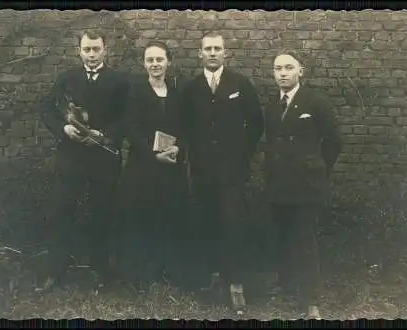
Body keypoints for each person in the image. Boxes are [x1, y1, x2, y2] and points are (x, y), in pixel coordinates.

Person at [39, 29, 130, 290]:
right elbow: (46, 108)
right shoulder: (67, 78)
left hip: (103, 159)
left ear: (105, 50)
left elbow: (127, 118)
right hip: (72, 158)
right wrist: (63, 129)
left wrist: (106, 135)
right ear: (79, 51)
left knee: (101, 214)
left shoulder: (119, 81)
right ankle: (55, 271)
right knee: (61, 212)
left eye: (96, 49)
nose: (91, 55)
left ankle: (101, 271)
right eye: (87, 50)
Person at [180, 31, 264, 314]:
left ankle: (235, 282)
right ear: (200, 54)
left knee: (232, 222)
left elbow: (256, 124)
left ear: (225, 53)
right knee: (208, 221)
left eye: (218, 48)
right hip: (203, 171)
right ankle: (213, 277)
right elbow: (185, 127)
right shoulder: (191, 89)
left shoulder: (240, 84)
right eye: (208, 49)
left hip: (233, 172)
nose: (213, 53)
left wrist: (240, 153)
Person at [264, 49, 343, 319]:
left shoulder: (315, 101)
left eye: (288, 67)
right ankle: (286, 286)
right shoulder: (273, 105)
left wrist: (318, 168)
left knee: (304, 240)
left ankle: (310, 300)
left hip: (307, 186)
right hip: (279, 184)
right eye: (278, 68)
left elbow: (334, 141)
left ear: (301, 71)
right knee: (283, 236)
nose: (283, 73)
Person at [118, 41, 191, 290]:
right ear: (144, 63)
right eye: (150, 60)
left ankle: (168, 268)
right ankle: (142, 272)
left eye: (160, 59)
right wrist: (152, 154)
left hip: (171, 167)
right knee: (143, 216)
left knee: (170, 215)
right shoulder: (135, 91)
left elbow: (185, 126)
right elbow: (130, 128)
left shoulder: (177, 90)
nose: (155, 64)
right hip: (143, 168)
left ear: (168, 61)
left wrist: (178, 146)